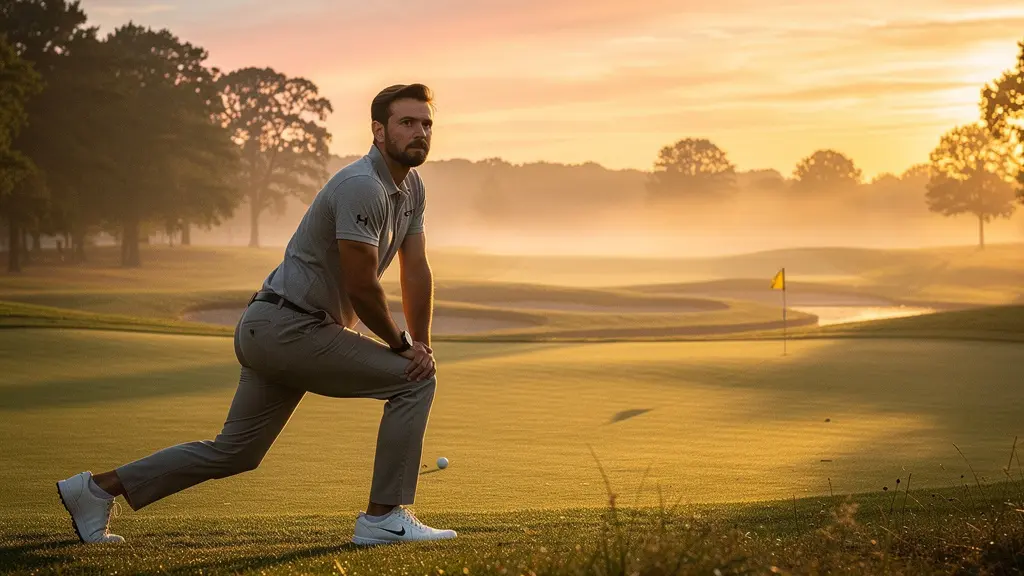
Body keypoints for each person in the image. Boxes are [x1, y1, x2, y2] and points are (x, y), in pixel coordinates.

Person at [55, 83, 455, 546]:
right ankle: (383, 517)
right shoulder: (362, 185)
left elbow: (416, 271)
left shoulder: (412, 188)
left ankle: (94, 490)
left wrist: (421, 341)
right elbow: (361, 285)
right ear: (378, 132)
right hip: (290, 326)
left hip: (277, 327)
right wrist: (403, 348)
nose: (419, 132)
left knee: (236, 452)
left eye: (426, 124)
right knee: (414, 380)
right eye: (407, 122)